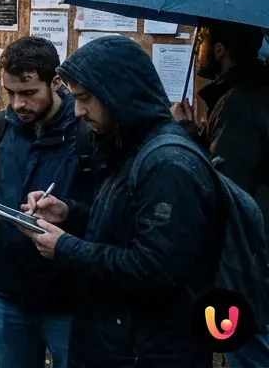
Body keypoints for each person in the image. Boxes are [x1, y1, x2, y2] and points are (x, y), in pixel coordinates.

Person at [25, 35, 220, 367]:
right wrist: (69, 214)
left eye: (85, 98)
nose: (77, 111)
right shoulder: (127, 147)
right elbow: (123, 227)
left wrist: (66, 247)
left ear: (118, 94)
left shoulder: (168, 165)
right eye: (74, 98)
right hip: (115, 341)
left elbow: (155, 269)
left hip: (146, 351)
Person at [0, 37, 98, 368]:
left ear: (55, 82)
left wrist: (66, 212)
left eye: (28, 93)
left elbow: (106, 212)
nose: (17, 104)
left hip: (68, 293)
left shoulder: (88, 133)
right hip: (9, 288)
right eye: (10, 93)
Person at [172, 18, 269, 223]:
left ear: (218, 50)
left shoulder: (238, 102)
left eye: (201, 41)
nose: (197, 49)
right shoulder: (247, 91)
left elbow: (224, 183)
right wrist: (204, 138)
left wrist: (185, 129)